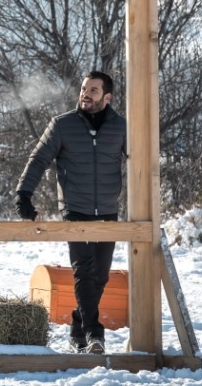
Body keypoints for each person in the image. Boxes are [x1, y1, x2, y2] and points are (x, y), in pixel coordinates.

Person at [15, 71, 126, 355]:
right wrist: (24, 194)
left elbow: (141, 161)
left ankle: (78, 328)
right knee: (84, 271)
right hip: (75, 210)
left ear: (107, 97)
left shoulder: (121, 127)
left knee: (100, 276)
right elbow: (39, 159)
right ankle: (94, 335)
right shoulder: (62, 125)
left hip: (108, 211)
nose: (85, 94)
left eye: (93, 90)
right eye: (83, 88)